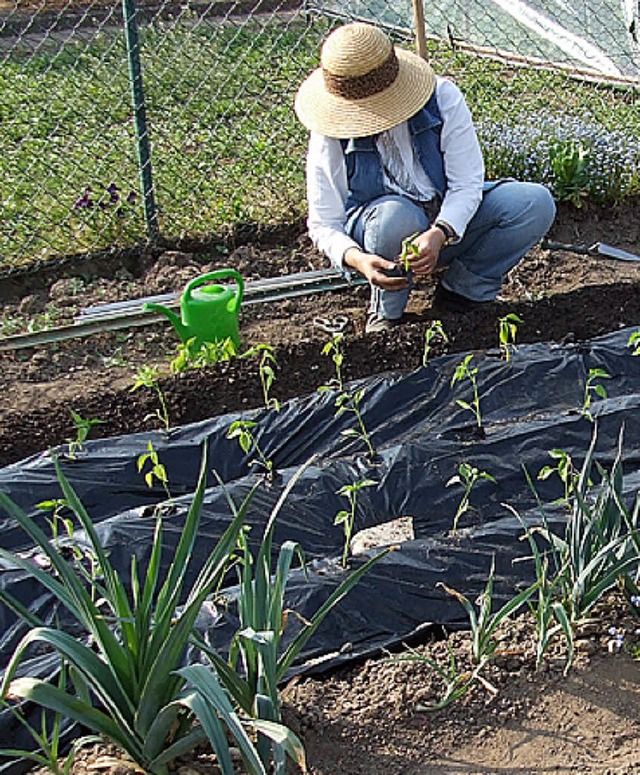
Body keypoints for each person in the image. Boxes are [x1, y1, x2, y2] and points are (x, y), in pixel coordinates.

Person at [294, 22, 557, 332]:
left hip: (444, 221)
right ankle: (387, 317)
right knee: (397, 217)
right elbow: (324, 222)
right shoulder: (331, 133)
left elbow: (467, 183)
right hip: (380, 235)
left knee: (532, 204)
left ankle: (461, 295)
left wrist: (440, 233)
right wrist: (357, 259)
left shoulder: (442, 98)